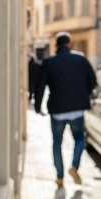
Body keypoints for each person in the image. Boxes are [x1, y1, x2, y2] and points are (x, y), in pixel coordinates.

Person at [35, 31, 97, 187]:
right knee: (80, 139)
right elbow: (93, 80)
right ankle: (74, 166)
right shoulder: (80, 58)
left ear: (55, 45)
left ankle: (60, 177)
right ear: (69, 44)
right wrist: (84, 95)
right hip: (77, 109)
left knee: (57, 143)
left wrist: (37, 106)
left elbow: (40, 86)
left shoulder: (49, 62)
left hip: (57, 111)